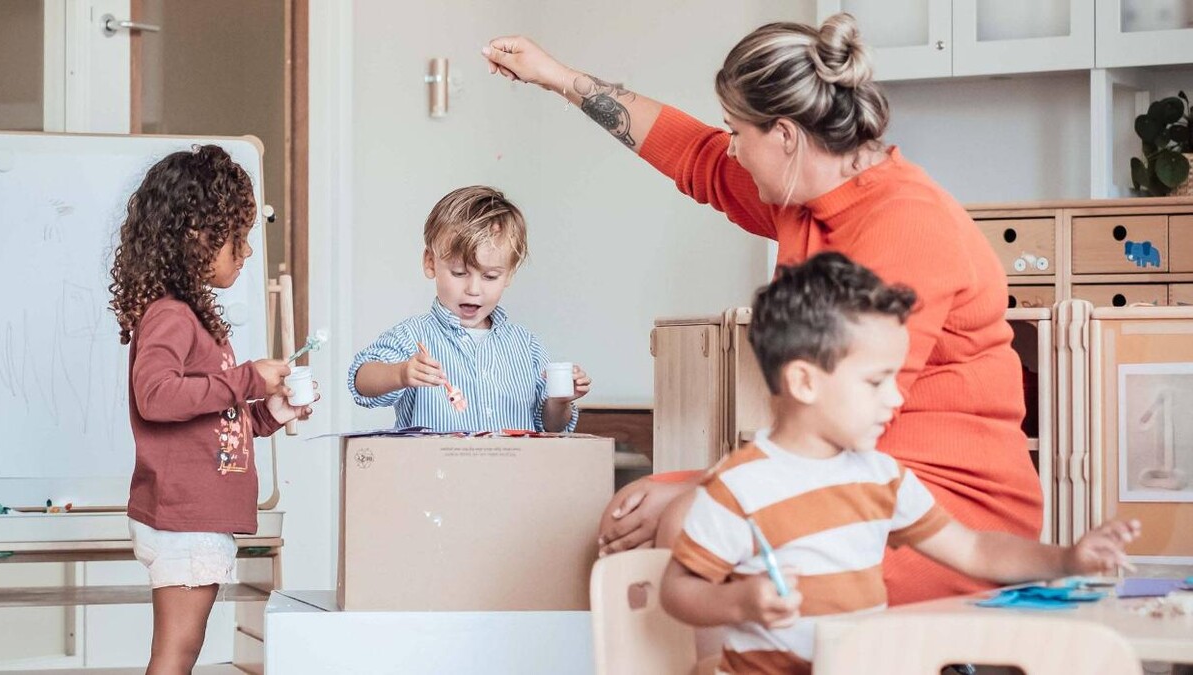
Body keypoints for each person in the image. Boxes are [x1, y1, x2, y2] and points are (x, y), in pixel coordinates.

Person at [482, 14, 1042, 603]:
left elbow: (845, 425)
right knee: (632, 511)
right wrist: (558, 78)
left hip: (939, 512)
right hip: (848, 474)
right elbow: (693, 155)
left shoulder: (905, 226)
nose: (731, 150)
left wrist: (712, 484)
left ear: (784, 134)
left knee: (686, 524)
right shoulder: (805, 196)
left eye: (736, 132)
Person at [659, 252, 1140, 675]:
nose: (895, 398)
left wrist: (1067, 559)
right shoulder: (741, 485)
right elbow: (678, 590)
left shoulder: (880, 477)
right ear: (804, 383)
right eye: (875, 382)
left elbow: (974, 550)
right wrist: (737, 601)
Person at [108, 145, 317, 673]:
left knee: (183, 649)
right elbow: (156, 396)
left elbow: (216, 419)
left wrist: (270, 412)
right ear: (195, 238)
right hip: (185, 519)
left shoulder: (191, 318)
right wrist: (245, 377)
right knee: (176, 653)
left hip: (193, 517)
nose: (246, 252)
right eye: (237, 238)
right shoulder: (172, 315)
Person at [348, 185, 591, 431]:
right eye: (459, 273)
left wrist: (559, 401)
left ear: (509, 275)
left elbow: (551, 427)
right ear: (430, 263)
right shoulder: (413, 336)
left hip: (513, 470)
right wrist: (400, 374)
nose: (474, 289)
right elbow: (361, 380)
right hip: (436, 470)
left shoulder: (526, 346)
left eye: (490, 276)